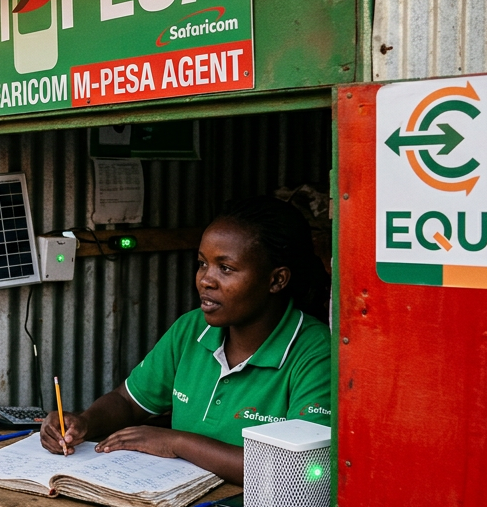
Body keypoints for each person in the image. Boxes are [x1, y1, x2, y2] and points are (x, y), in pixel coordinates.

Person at [40, 196, 332, 484]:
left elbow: (298, 469)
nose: (206, 280)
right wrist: (84, 423)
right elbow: (127, 401)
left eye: (225, 268)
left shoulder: (315, 351)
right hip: (177, 506)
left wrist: (178, 442)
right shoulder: (191, 330)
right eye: (203, 263)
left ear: (276, 280)